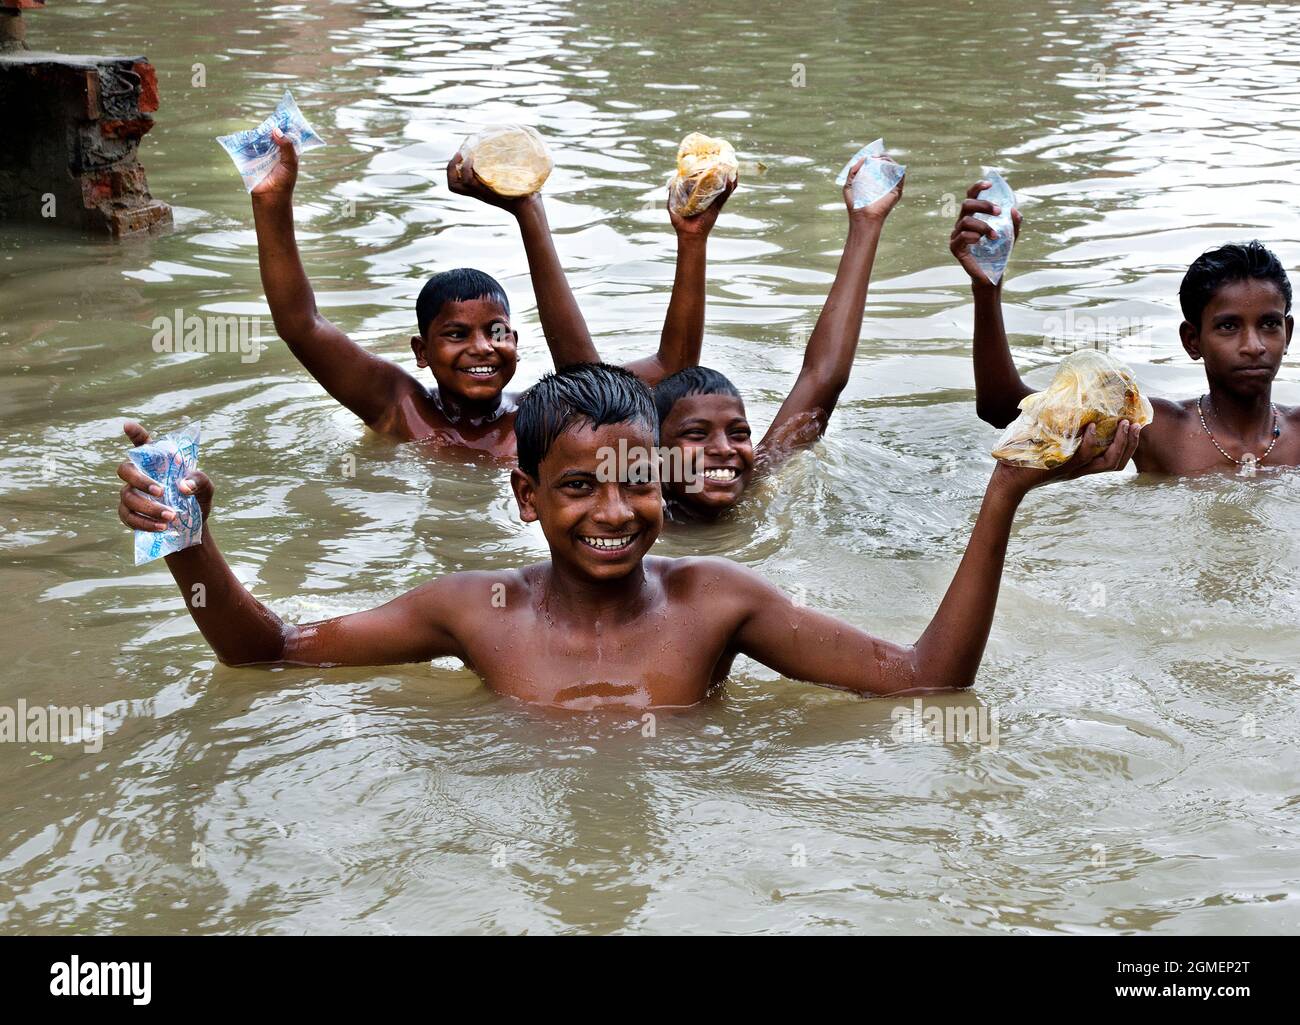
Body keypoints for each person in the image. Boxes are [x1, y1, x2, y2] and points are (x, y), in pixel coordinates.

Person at [115, 363, 1140, 709]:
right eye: (575, 489)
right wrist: (193, 543)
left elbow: (925, 680)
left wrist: (1002, 492)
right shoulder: (471, 610)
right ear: (524, 497)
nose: (612, 511)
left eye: (633, 480)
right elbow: (266, 652)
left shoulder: (718, 602)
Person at [470, 149, 904, 520]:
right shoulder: (632, 510)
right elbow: (582, 377)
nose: (724, 450)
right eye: (696, 436)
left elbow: (823, 376)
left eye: (739, 433)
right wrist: (530, 212)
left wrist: (866, 224)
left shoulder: (756, 482)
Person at [249, 130, 727, 459]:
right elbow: (302, 325)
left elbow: (673, 369)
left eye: (496, 332)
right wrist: (272, 203)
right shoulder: (401, 408)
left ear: (517, 343)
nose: (482, 347)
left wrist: (692, 240)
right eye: (456, 334)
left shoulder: (543, 414)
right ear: (422, 351)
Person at [949, 180, 1297, 474]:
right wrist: (987, 288)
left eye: (1268, 324)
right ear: (1192, 340)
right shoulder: (1157, 428)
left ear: (1288, 334)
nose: (1253, 345)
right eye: (1228, 327)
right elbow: (1001, 408)